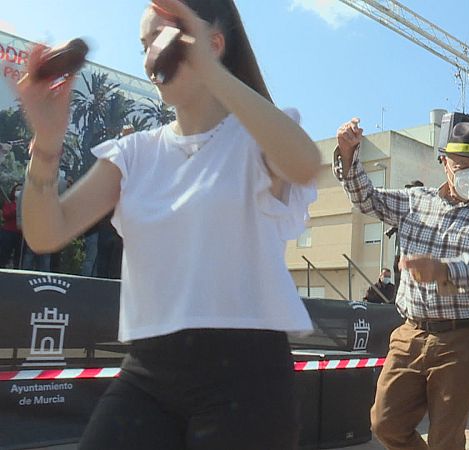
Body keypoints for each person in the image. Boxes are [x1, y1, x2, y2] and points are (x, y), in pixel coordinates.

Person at [18, 0, 320, 448]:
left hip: (247, 375)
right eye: (143, 44)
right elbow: (46, 232)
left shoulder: (256, 137)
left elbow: (304, 163)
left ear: (212, 43)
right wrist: (46, 141)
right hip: (149, 371)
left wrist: (212, 71)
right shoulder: (133, 154)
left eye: (160, 38)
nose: (149, 57)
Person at [334, 114, 469, 449]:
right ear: (443, 161)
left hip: (467, 337)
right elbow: (367, 199)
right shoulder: (414, 202)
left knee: (445, 438)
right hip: (411, 333)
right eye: (463, 165)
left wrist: (443, 269)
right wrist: (348, 155)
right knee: (384, 423)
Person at [0, 183, 22, 268]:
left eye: (21, 190)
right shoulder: (9, 204)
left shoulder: (26, 205)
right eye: (17, 190)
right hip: (8, 232)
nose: (19, 192)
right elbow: (6, 215)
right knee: (4, 253)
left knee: (18, 255)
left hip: (20, 234)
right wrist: (15, 209)